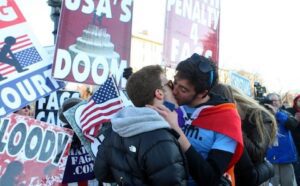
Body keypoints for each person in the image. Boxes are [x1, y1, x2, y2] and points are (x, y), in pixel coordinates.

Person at [150, 54, 243, 186]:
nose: (174, 91)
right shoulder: (173, 103)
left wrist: (177, 131)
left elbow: (209, 178)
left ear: (203, 93)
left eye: (183, 89)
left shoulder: (226, 118)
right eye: (175, 82)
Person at [94, 65, 188, 185]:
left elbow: (101, 173)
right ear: (159, 93)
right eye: (169, 84)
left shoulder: (117, 128)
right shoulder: (162, 139)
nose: (174, 90)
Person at [211, 83, 277, 186]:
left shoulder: (260, 117)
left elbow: (257, 153)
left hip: (253, 177)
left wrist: (233, 125)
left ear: (235, 102)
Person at [265, 93, 298, 186]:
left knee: (288, 183)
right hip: (270, 157)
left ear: (280, 102)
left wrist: (277, 113)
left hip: (286, 157)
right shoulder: (262, 113)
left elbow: (293, 125)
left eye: (276, 100)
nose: (274, 103)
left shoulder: (285, 113)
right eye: (271, 101)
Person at [286, 94, 300, 185]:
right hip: (294, 144)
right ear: (295, 102)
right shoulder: (289, 111)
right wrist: (295, 120)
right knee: (297, 169)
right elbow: (287, 126)